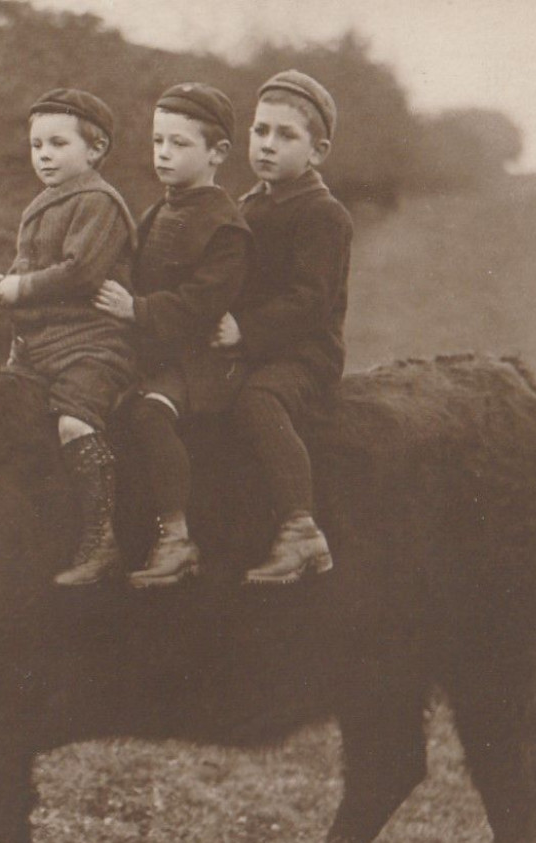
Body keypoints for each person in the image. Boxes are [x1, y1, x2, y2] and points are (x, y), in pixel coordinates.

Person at [0, 88, 138, 586]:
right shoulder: (46, 201)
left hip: (91, 347)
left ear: (95, 149)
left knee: (73, 424)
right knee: (2, 420)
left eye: (58, 143)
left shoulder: (98, 201)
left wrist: (18, 288)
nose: (43, 154)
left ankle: (101, 534)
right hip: (37, 348)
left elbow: (81, 272)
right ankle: (20, 533)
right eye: (36, 144)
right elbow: (30, 266)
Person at [91, 83, 251, 587]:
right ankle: (102, 537)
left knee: (150, 414)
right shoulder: (157, 212)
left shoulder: (225, 225)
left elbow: (203, 304)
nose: (163, 154)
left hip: (203, 362)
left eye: (179, 144)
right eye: (158, 141)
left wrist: (135, 310)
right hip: (157, 352)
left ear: (217, 153)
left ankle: (177, 538)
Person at [219, 70, 352, 584]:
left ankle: (301, 530)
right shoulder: (245, 205)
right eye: (260, 131)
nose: (267, 145)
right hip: (250, 346)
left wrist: (244, 333)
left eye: (285, 135)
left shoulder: (324, 214)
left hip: (305, 354)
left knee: (259, 400)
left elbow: (310, 301)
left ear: (317, 151)